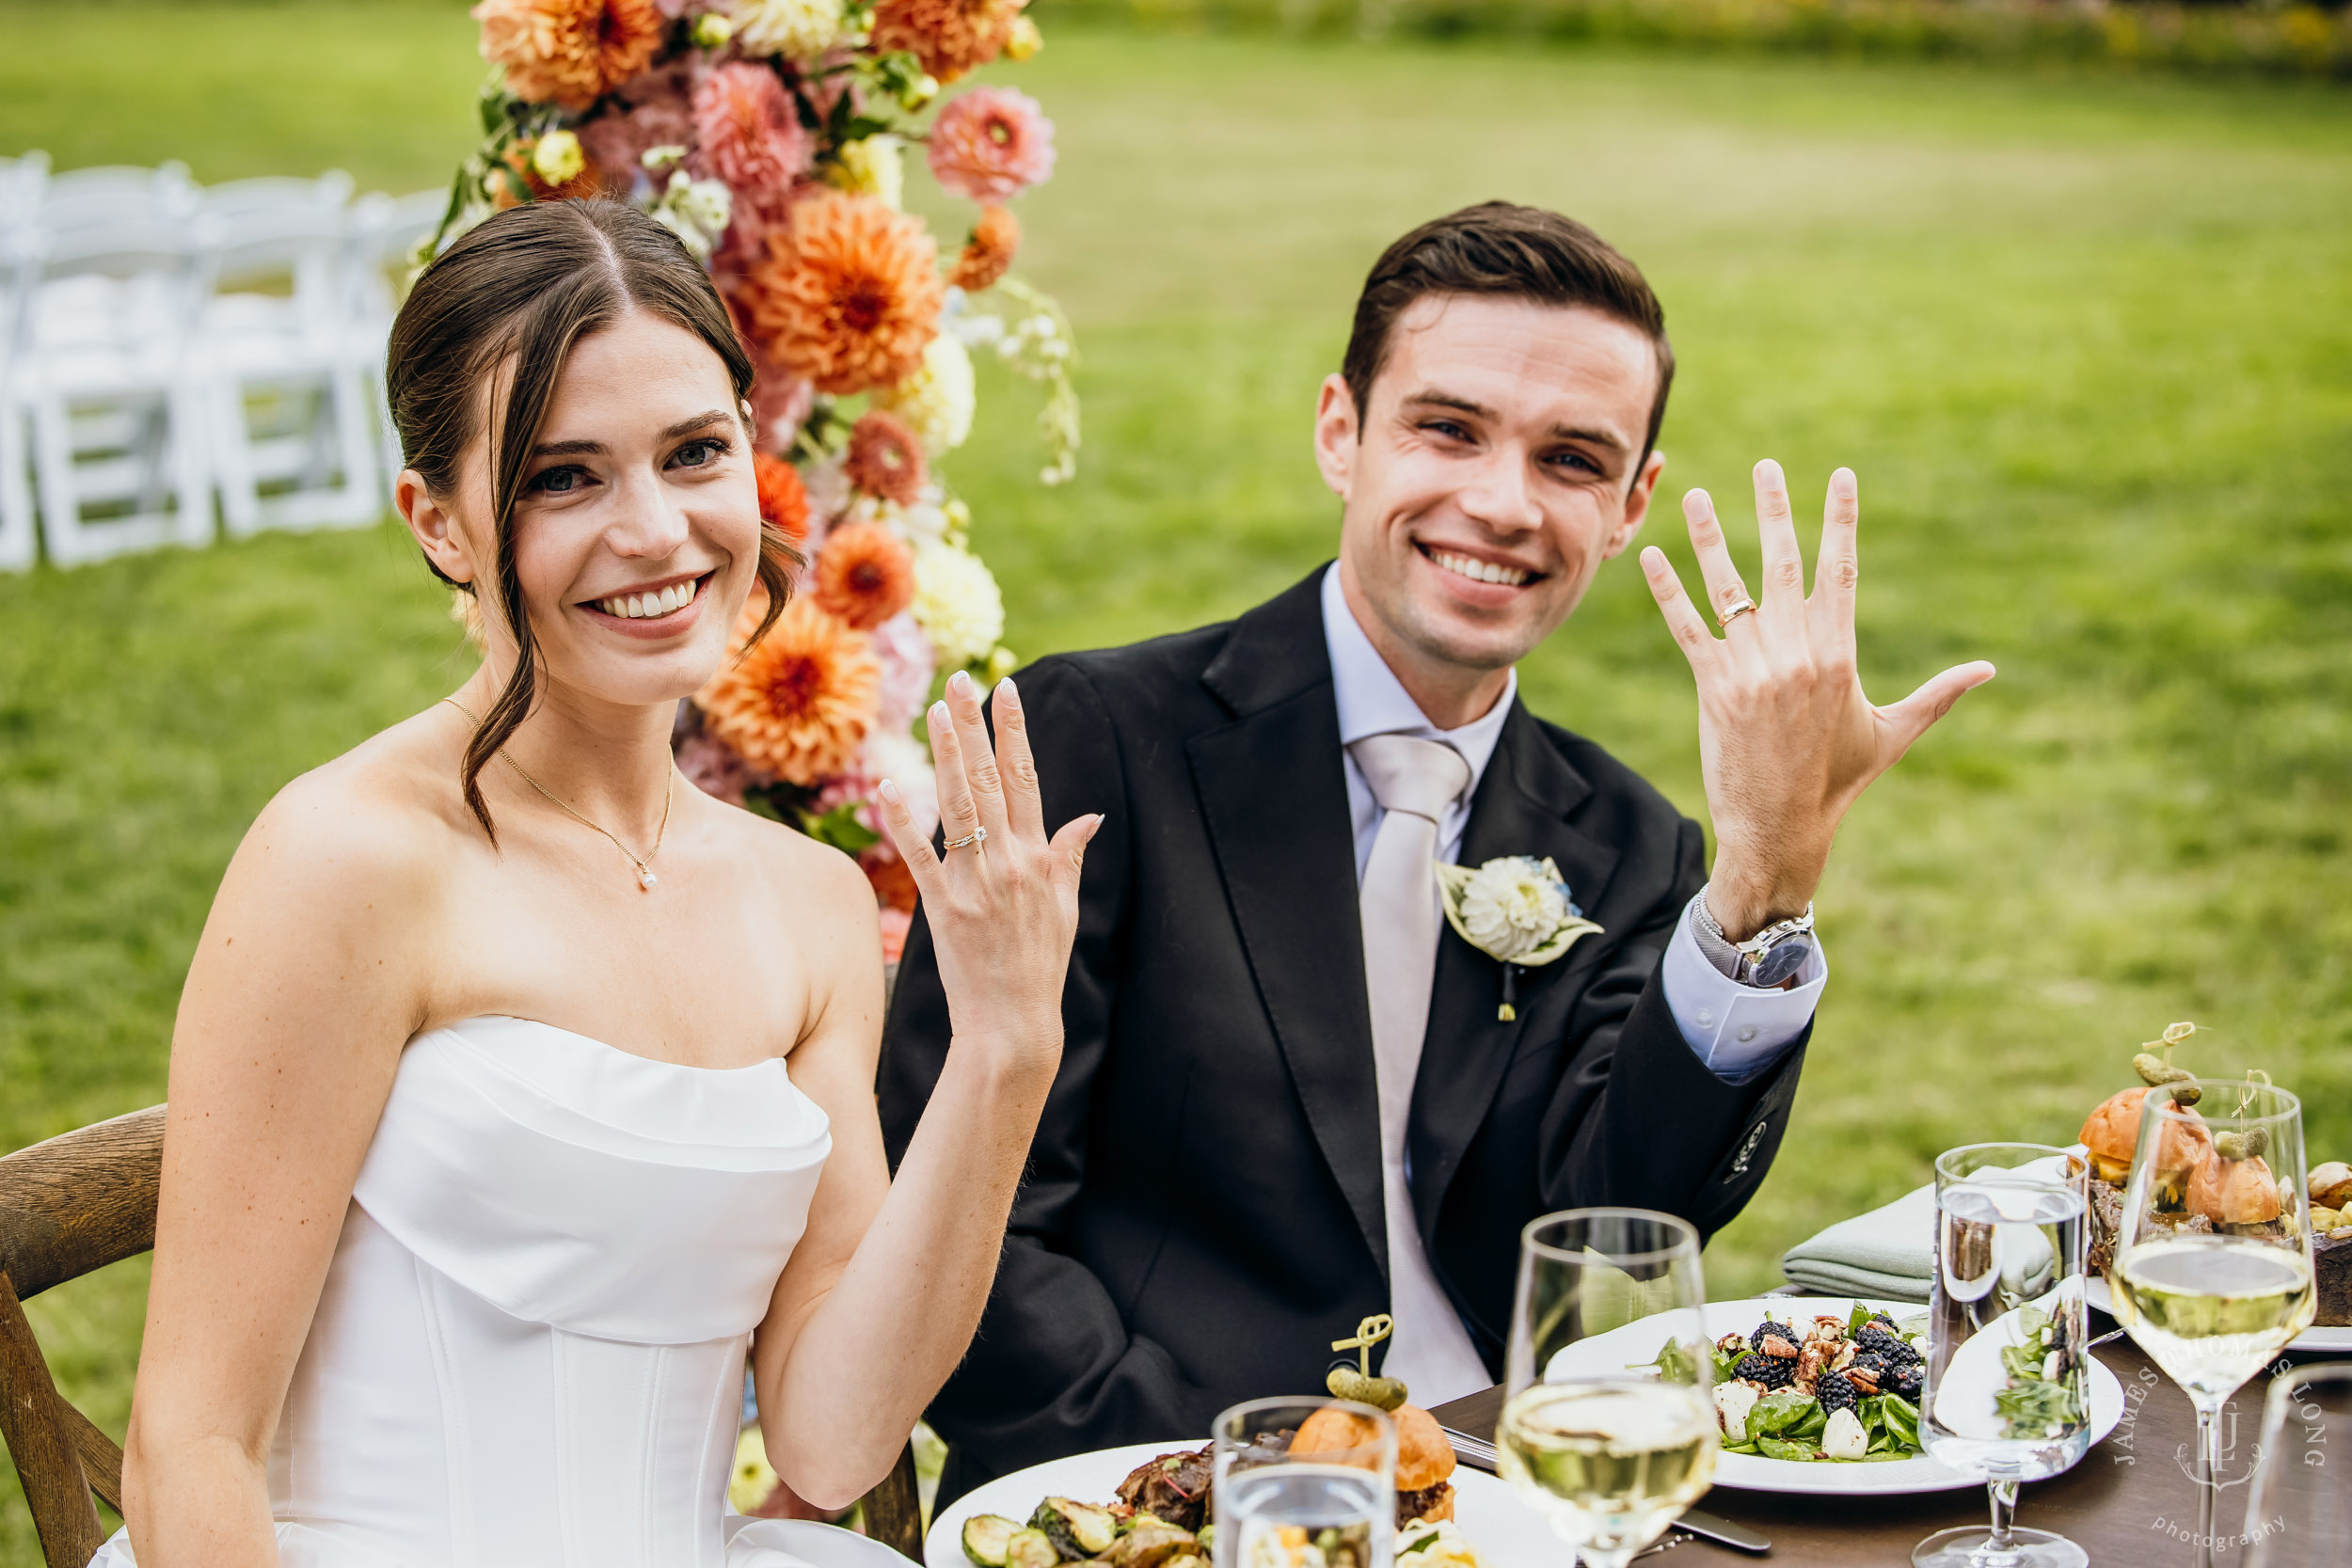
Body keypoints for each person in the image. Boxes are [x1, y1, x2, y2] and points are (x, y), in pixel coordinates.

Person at [879, 201, 1994, 1498]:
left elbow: (1630, 1215)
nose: (1502, 503)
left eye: (1572, 459)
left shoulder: (1631, 840)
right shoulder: (1093, 743)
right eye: (1449, 429)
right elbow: (964, 1224)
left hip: (1506, 1492)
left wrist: (1764, 878)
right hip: (1149, 1493)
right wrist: (1240, 1487)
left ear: (1631, 502)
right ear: (1341, 431)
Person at [101, 198, 1100, 1568]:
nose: (655, 533)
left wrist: (1005, 1050)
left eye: (694, 454)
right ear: (440, 523)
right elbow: (188, 1454)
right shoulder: (350, 862)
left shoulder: (806, 904)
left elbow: (830, 1437)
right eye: (563, 478)